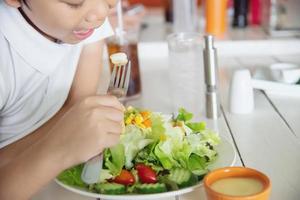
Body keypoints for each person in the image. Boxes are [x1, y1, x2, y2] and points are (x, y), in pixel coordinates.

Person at [0, 0, 126, 199]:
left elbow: (77, 107)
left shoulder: (83, 25)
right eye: (74, 2)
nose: (101, 12)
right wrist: (58, 151)